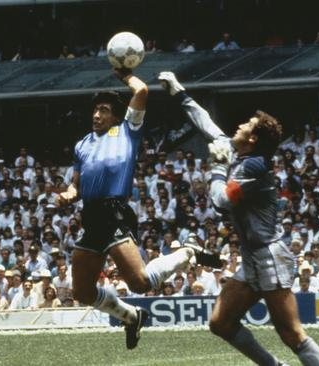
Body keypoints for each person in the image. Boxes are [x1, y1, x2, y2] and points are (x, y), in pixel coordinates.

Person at [158, 71, 319, 366]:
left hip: (269, 257)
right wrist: (178, 92)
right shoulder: (241, 155)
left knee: (291, 333)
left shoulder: (254, 167)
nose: (238, 125)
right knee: (221, 322)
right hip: (253, 258)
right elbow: (206, 123)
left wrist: (218, 169)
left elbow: (221, 201)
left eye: (245, 124)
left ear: (252, 138)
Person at [55, 68, 217, 350]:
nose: (96, 115)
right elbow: (75, 186)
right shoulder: (82, 144)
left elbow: (141, 90)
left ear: (116, 116)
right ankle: (131, 316)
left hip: (115, 210)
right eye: (95, 110)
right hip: (91, 216)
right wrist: (68, 195)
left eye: (103, 110)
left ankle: (187, 251)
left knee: (140, 283)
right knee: (81, 290)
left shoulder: (127, 130)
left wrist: (124, 74)